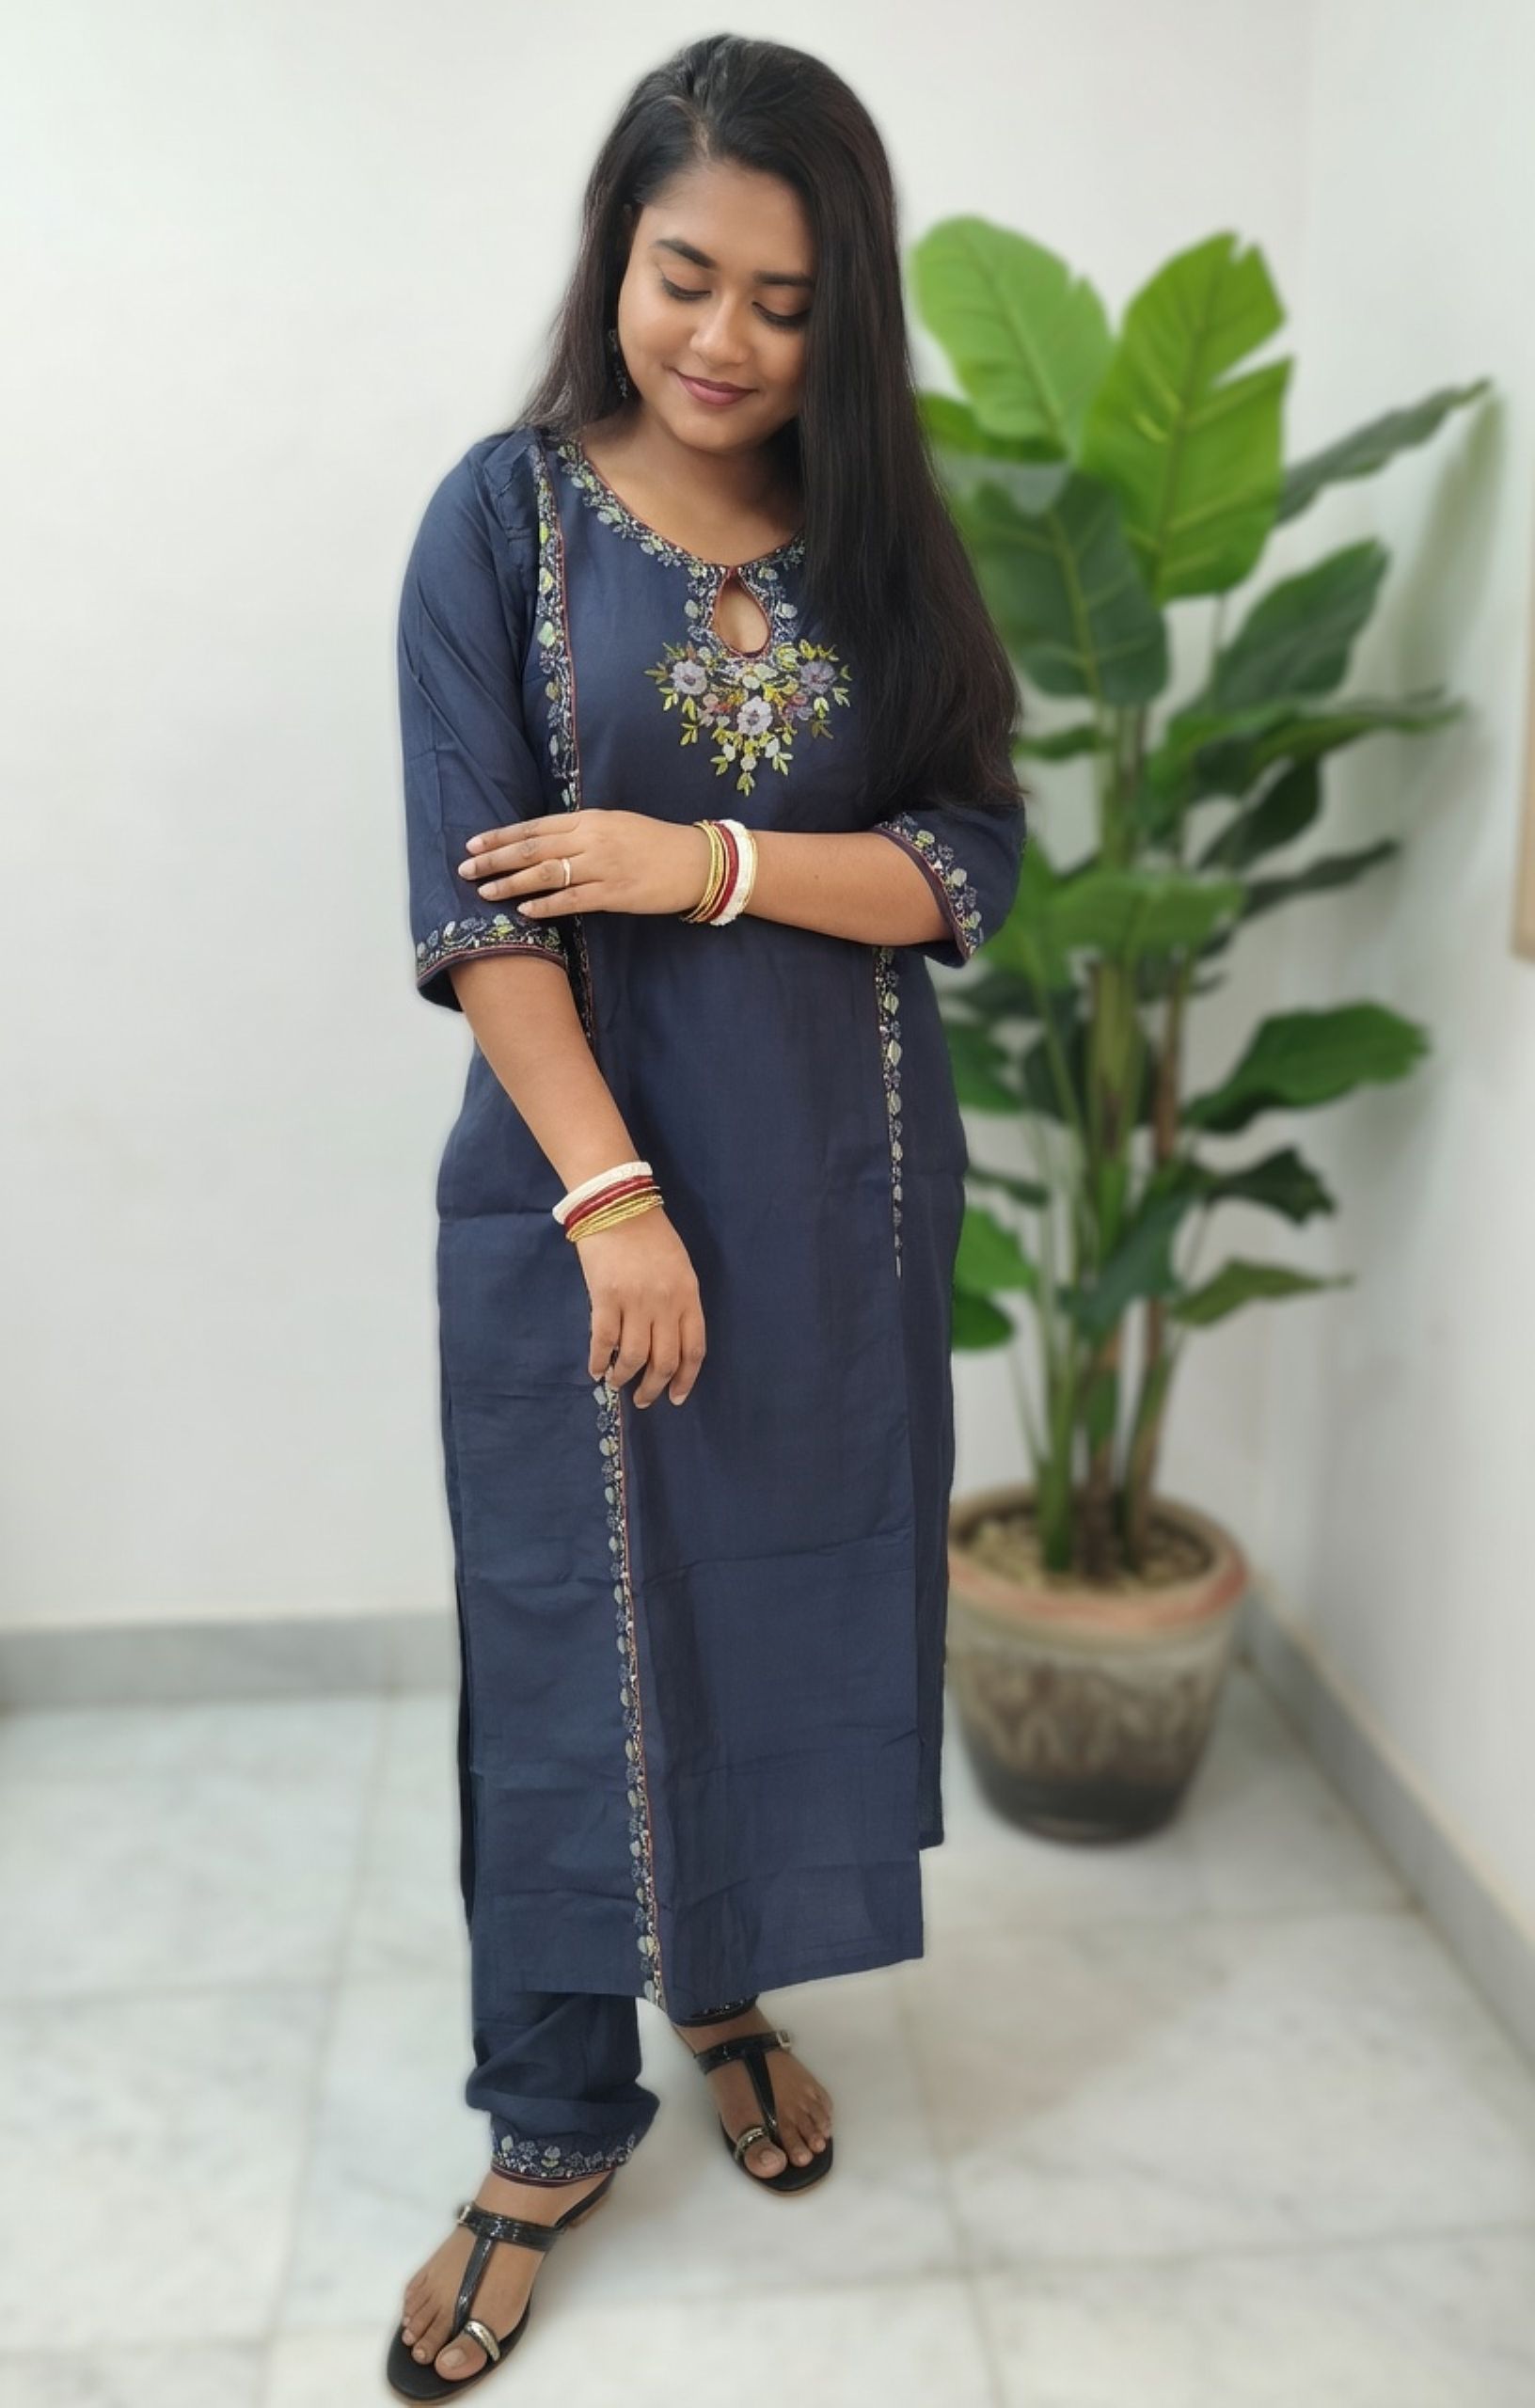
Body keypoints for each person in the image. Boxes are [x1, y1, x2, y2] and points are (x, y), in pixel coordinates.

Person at [388, 32, 1029, 2397]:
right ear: (617, 254)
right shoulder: (507, 522)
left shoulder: (881, 536)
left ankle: (725, 1987)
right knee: (569, 1633)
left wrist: (707, 859)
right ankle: (549, 2121)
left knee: (771, 1600)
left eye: (787, 296)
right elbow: (477, 903)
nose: (728, 338)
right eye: (687, 276)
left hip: (842, 1184)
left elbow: (964, 861)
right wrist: (613, 1198)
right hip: (586, 1194)